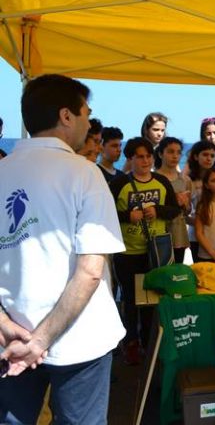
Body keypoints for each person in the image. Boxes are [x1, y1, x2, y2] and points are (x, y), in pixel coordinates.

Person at [0, 74, 126, 424]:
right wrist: (40, 342)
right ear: (66, 116)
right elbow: (90, 270)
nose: (88, 121)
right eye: (85, 112)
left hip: (12, 339)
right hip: (78, 341)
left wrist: (4, 325)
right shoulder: (84, 174)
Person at [109, 137, 180, 365]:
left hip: (155, 251)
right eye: (140, 156)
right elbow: (104, 213)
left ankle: (151, 342)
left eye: (149, 156)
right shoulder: (120, 183)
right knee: (130, 300)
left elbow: (173, 210)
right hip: (127, 253)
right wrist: (127, 216)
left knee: (153, 299)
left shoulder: (161, 181)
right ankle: (131, 342)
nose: (146, 160)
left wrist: (157, 210)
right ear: (130, 159)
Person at [155, 136, 192, 264]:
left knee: (177, 272)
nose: (175, 156)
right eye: (170, 152)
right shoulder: (154, 178)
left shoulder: (185, 180)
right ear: (160, 154)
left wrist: (186, 205)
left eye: (178, 152)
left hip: (178, 233)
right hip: (159, 232)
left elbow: (187, 211)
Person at [186, 140, 215, 261]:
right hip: (196, 236)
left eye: (212, 155)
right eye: (205, 155)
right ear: (195, 156)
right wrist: (196, 222)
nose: (209, 158)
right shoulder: (189, 181)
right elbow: (184, 212)